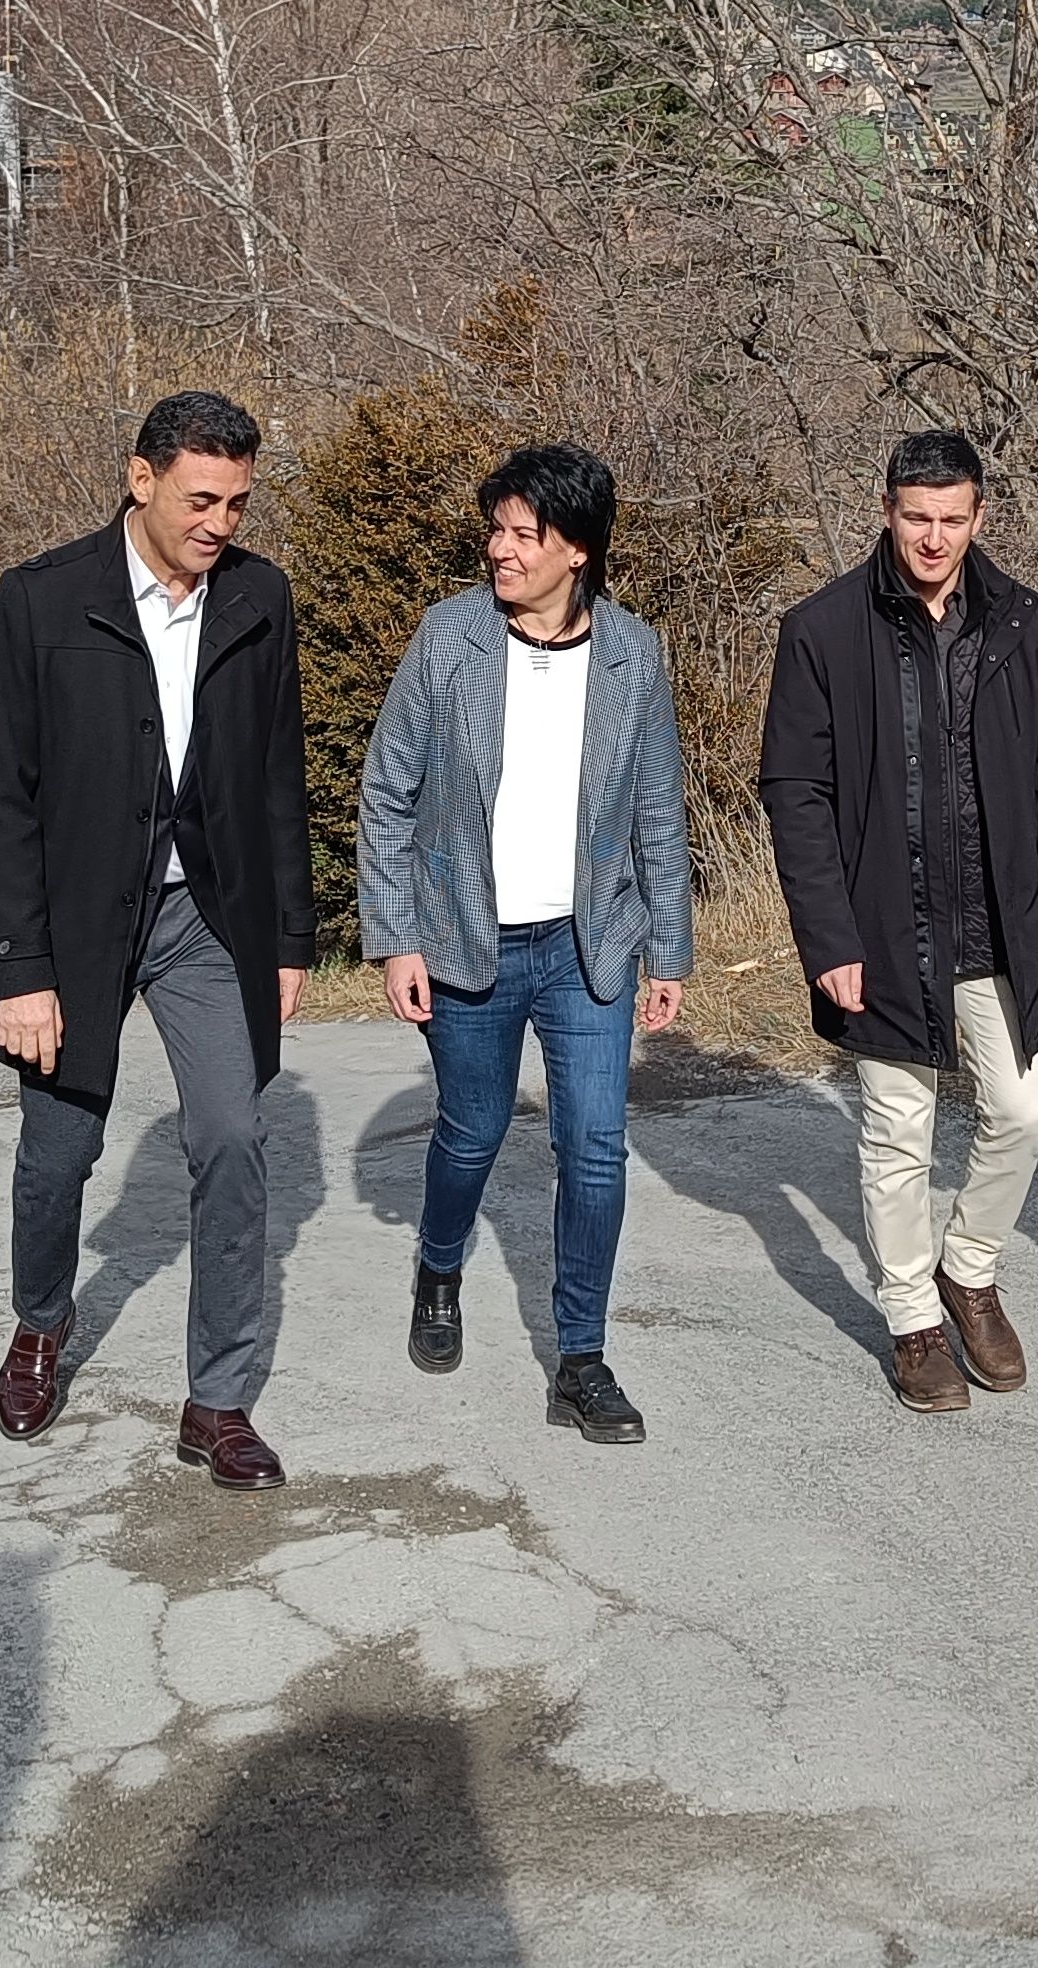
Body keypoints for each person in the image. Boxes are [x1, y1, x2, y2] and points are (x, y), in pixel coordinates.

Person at [0, 390, 317, 1491]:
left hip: (205, 921)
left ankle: (217, 1402)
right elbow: (3, 798)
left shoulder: (259, 599)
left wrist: (291, 937)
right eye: (201, 499)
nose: (220, 522)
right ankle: (38, 1328)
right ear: (142, 479)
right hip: (75, 926)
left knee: (231, 1139)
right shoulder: (43, 600)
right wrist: (22, 970)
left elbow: (276, 778)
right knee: (60, 1153)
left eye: (238, 503)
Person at [757, 431, 1038, 1413]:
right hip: (880, 927)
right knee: (897, 1129)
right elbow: (796, 794)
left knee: (1026, 1108)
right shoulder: (822, 630)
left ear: (978, 516)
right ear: (887, 510)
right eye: (917, 518)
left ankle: (969, 1267)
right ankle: (912, 1319)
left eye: (953, 520)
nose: (934, 538)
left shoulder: (1021, 624)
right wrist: (829, 939)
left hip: (1002, 917)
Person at [357, 442, 694, 1445]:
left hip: (590, 947)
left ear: (576, 551)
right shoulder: (448, 639)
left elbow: (657, 814)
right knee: (472, 1130)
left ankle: (581, 1358)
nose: (499, 550)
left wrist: (667, 950)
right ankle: (440, 1260)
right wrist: (394, 939)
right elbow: (388, 794)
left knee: (594, 1149)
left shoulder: (634, 656)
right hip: (468, 941)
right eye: (495, 530)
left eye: (522, 535)